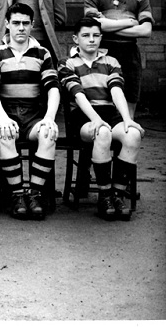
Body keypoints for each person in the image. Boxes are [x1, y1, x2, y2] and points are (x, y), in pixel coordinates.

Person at [58, 17, 144, 221]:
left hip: (109, 112)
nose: (91, 40)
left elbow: (116, 91)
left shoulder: (111, 62)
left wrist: (126, 119)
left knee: (131, 134)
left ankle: (118, 194)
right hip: (83, 115)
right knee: (102, 132)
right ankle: (104, 196)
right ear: (75, 39)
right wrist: (96, 119)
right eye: (86, 36)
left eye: (96, 35)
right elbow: (78, 94)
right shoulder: (67, 63)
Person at [0, 3, 61, 220]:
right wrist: (3, 118)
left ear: (32, 25)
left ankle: (34, 195)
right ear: (7, 24)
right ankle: (17, 195)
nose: (20, 28)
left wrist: (49, 118)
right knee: (6, 133)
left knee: (47, 134)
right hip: (6, 112)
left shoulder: (42, 53)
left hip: (33, 114)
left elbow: (53, 88)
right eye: (16, 23)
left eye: (25, 23)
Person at [83, 0, 153, 117]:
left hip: (130, 55)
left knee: (128, 105)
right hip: (103, 52)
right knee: (102, 103)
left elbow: (146, 30)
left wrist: (107, 24)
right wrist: (129, 22)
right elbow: (93, 26)